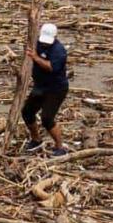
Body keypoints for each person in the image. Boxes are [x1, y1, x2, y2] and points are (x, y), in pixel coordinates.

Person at [21, 23, 69, 156]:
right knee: (27, 112)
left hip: (56, 89)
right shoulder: (37, 44)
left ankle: (60, 147)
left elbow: (50, 67)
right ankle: (36, 139)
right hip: (40, 86)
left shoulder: (59, 51)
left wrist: (35, 57)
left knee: (47, 118)